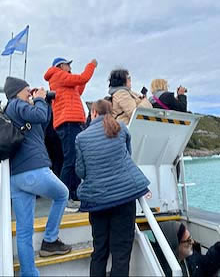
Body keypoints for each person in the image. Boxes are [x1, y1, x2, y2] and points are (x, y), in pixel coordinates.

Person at [4, 77, 71, 277]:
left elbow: (42, 122)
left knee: (24, 232)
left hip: (16, 177)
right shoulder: (17, 104)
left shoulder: (15, 111)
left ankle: (29, 273)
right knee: (62, 194)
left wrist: (44, 102)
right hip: (33, 171)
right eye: (27, 91)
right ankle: (50, 239)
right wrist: (40, 98)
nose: (30, 94)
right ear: (17, 92)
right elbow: (40, 116)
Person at [75, 99, 151, 277]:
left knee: (100, 251)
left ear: (93, 112)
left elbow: (81, 171)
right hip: (124, 198)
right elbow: (127, 155)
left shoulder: (81, 137)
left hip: (97, 201)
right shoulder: (121, 128)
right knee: (121, 254)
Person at [44, 57, 97, 209]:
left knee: (74, 159)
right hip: (68, 122)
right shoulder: (58, 75)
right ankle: (63, 196)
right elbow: (82, 77)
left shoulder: (63, 80)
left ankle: (73, 194)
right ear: (61, 65)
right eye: (68, 64)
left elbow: (78, 88)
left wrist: (83, 79)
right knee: (70, 159)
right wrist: (91, 65)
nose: (69, 66)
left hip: (71, 121)